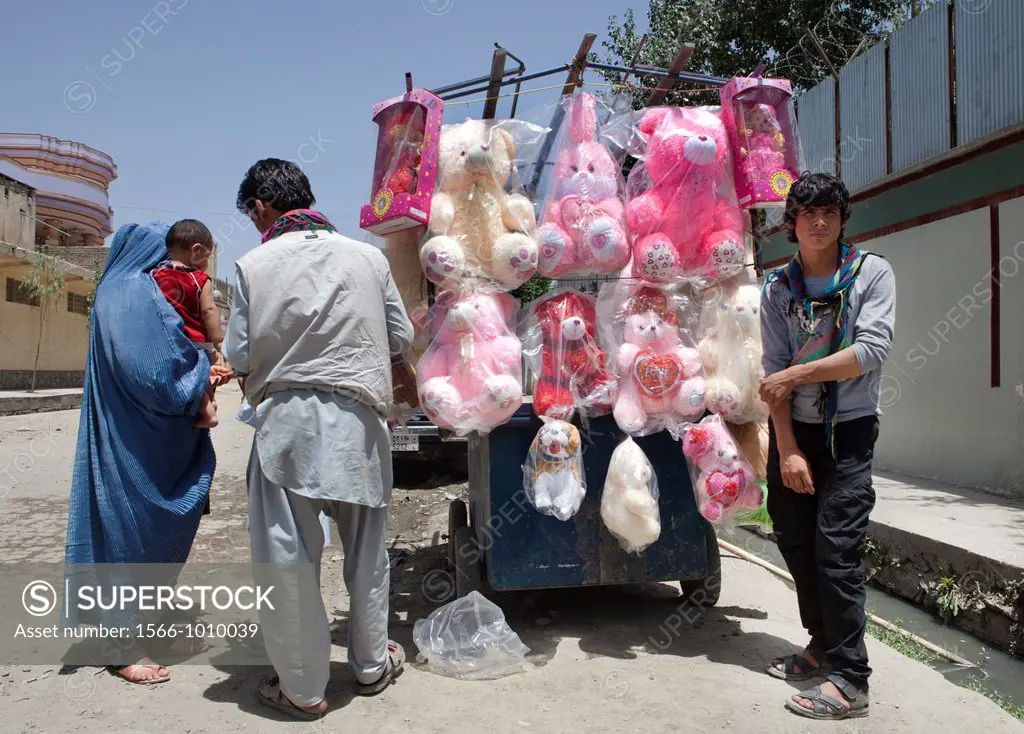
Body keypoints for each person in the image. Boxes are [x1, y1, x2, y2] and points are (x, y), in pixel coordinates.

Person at [224, 158, 414, 721]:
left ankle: (304, 691)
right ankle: (372, 665)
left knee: (288, 558)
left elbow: (237, 355)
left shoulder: (252, 264)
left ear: (261, 208)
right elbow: (399, 336)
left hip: (287, 426)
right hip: (359, 423)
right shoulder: (368, 257)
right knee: (367, 554)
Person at [758, 172, 895, 721]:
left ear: (842, 220)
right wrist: (786, 446)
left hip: (850, 430)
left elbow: (871, 349)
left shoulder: (871, 274)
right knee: (794, 539)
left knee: (837, 549)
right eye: (808, 212)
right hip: (795, 430)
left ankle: (851, 679)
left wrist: (800, 374)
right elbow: (771, 376)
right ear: (792, 223)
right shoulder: (777, 288)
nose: (819, 222)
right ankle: (822, 645)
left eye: (830, 213)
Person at [64, 221, 219, 685]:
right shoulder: (133, 295)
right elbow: (157, 374)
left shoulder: (112, 290)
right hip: (138, 446)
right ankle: (122, 647)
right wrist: (202, 377)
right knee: (136, 535)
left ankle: (127, 630)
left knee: (119, 536)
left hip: (122, 431)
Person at [152, 219, 226, 428]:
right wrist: (218, 340)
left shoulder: (156, 276)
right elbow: (209, 310)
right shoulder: (200, 279)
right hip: (197, 340)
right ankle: (210, 408)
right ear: (196, 250)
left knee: (190, 376)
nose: (207, 261)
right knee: (200, 375)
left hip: (171, 341)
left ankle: (207, 408)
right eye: (207, 255)